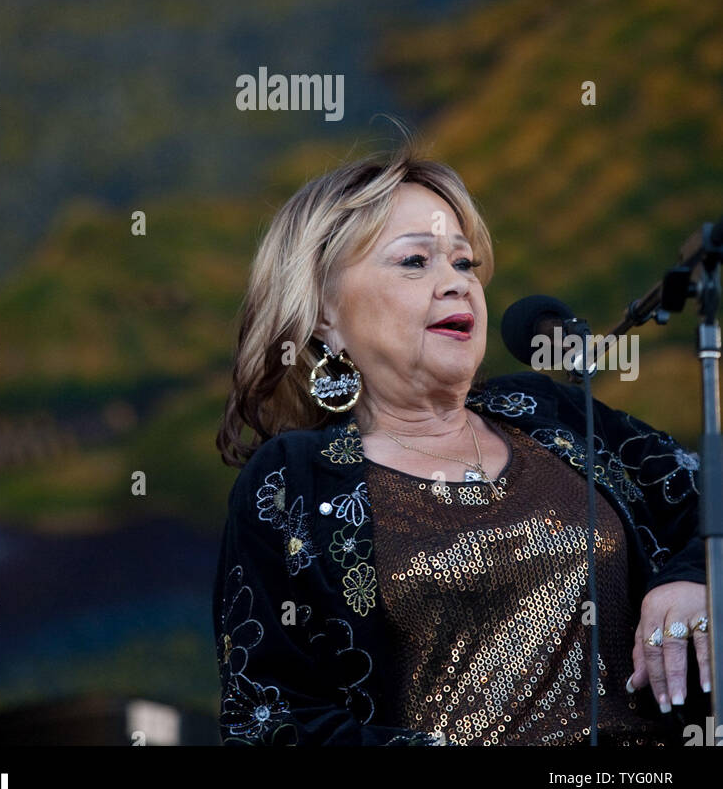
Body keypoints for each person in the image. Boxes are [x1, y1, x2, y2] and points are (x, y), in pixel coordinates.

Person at [212, 144, 710, 745]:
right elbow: (272, 722)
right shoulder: (293, 482)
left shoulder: (548, 413)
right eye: (415, 262)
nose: (456, 284)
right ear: (323, 312)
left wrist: (690, 578)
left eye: (465, 264)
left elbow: (707, 495)